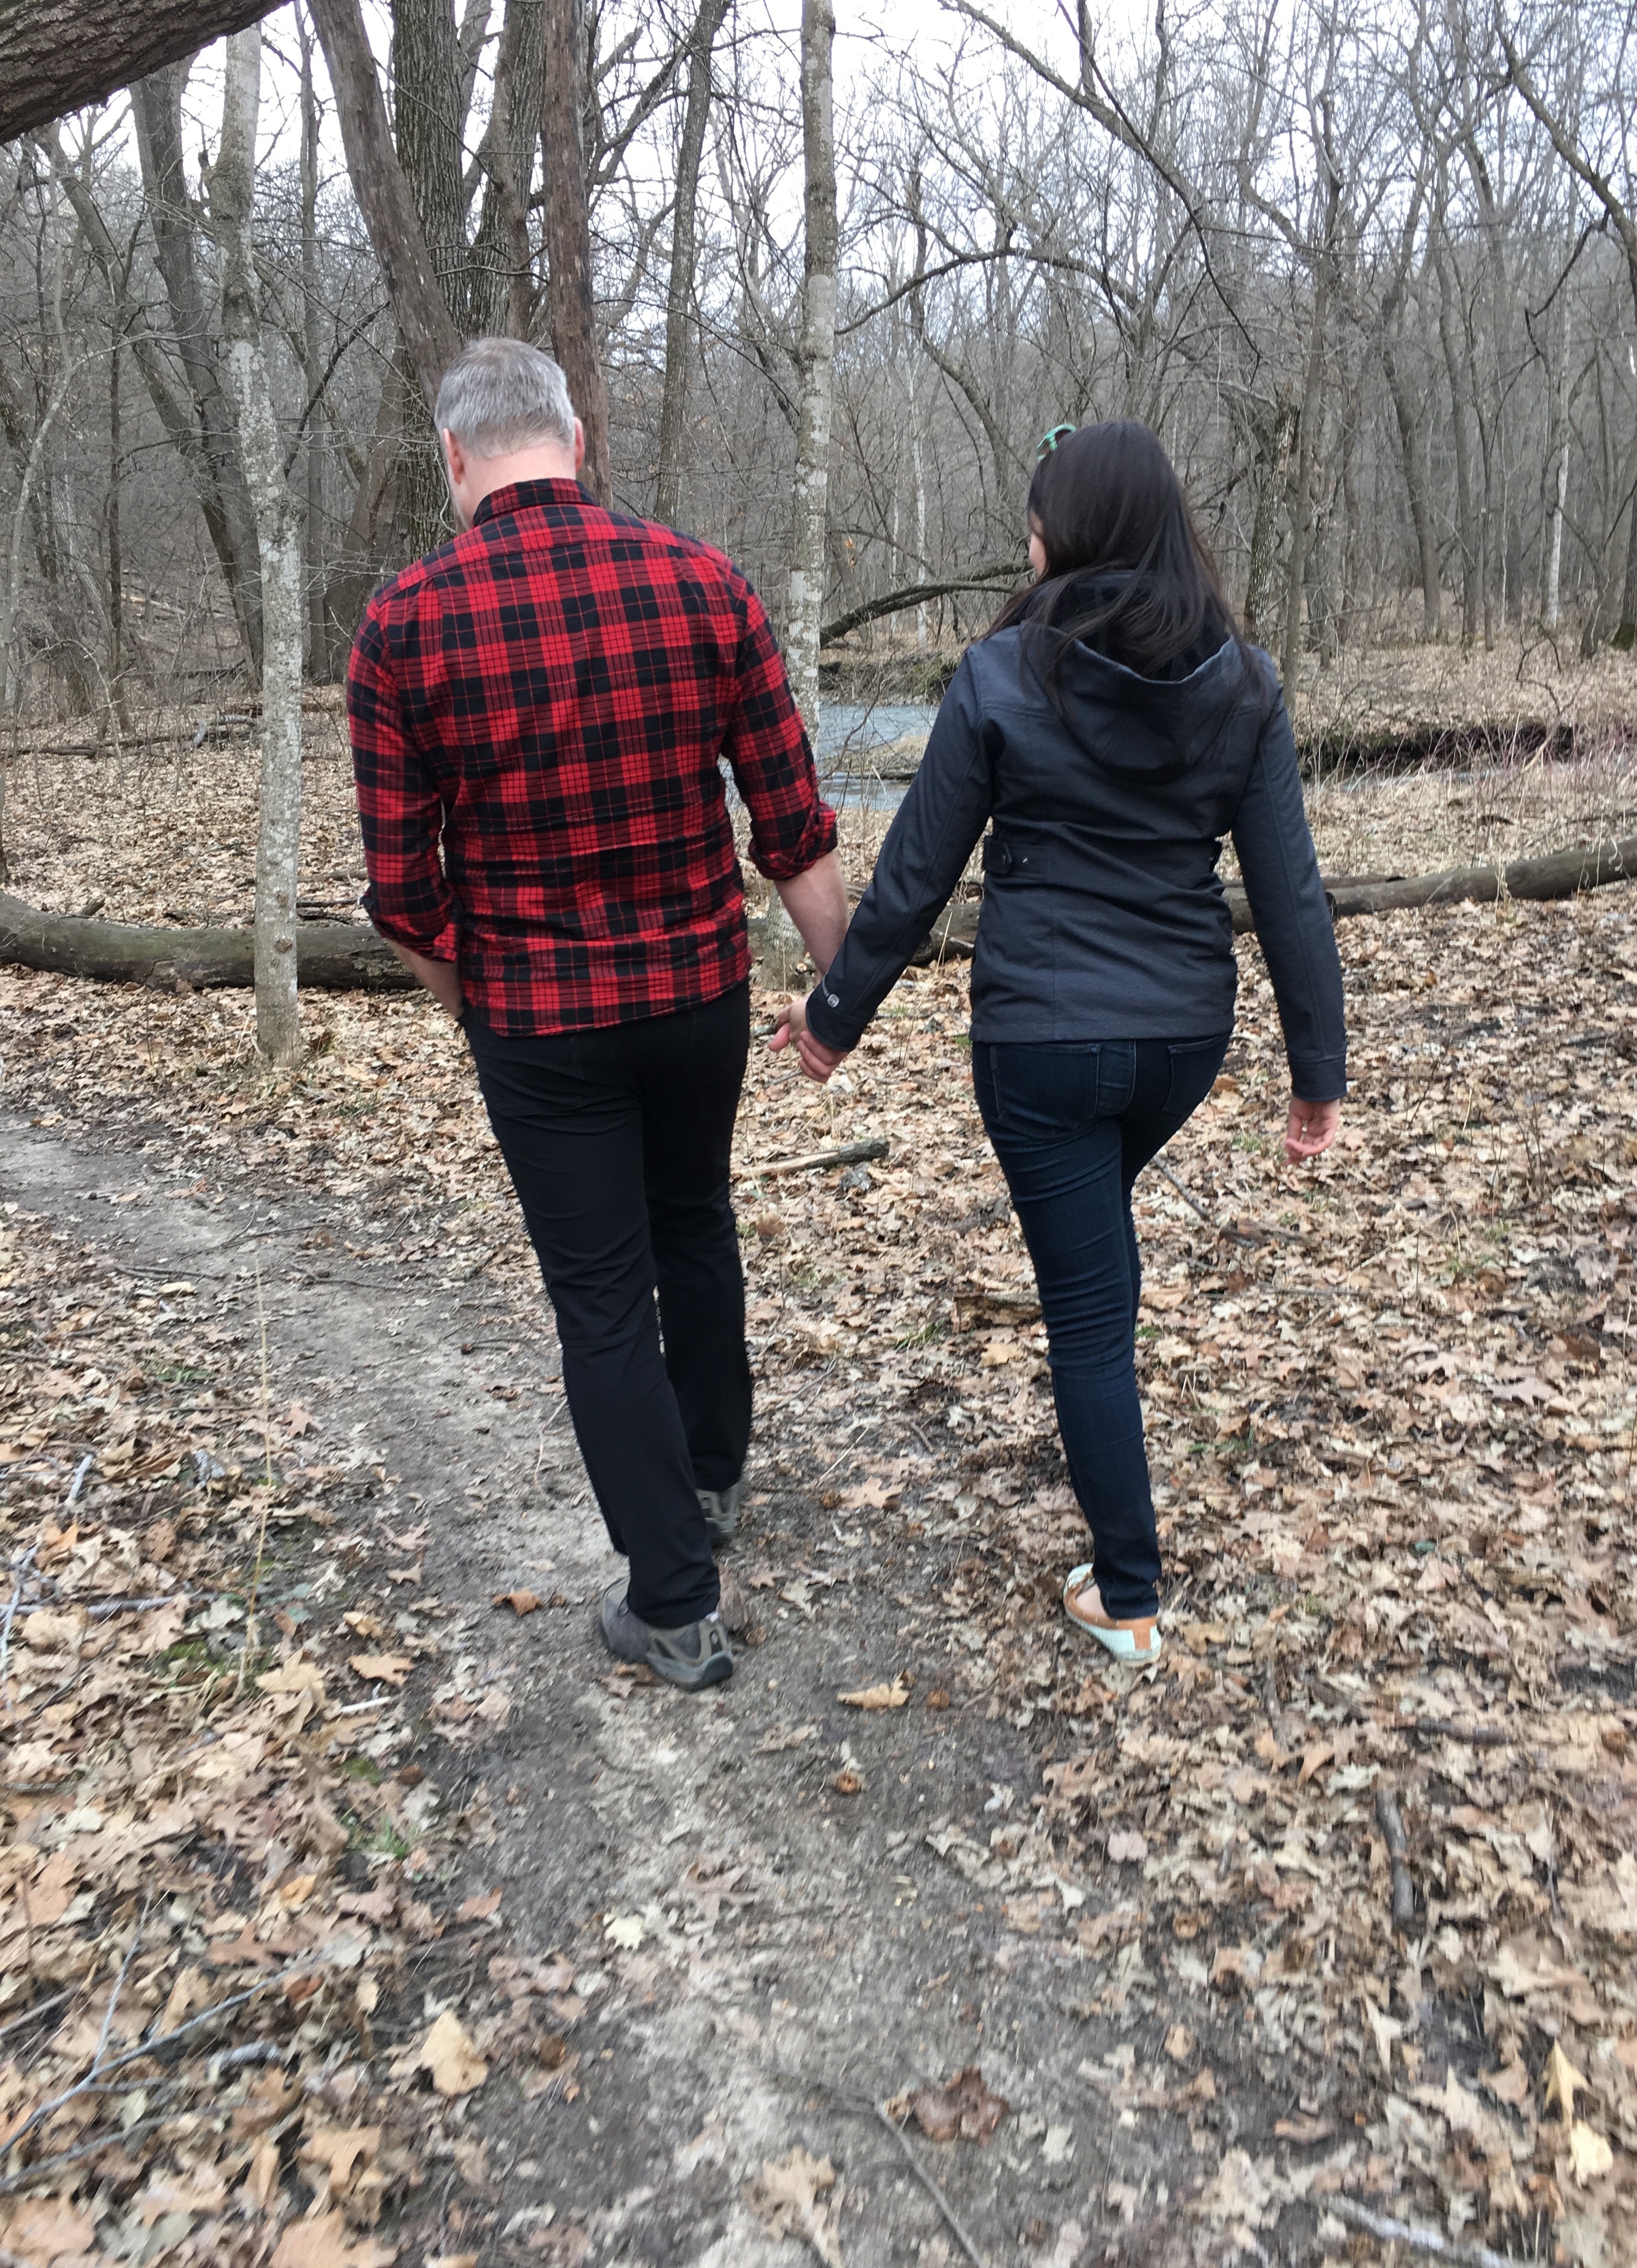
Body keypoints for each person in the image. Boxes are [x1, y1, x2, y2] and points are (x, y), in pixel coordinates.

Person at [772, 419, 1345, 1668]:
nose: (1024, 542)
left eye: (1036, 520)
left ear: (1074, 533)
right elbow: (1288, 894)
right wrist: (1316, 1075)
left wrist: (832, 1021)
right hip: (1183, 1041)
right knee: (1094, 1259)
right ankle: (1101, 1439)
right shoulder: (1245, 682)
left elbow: (916, 874)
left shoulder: (1002, 675)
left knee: (1089, 1309)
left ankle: (1127, 1591)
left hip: (1039, 1040)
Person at [349, 337, 848, 1692]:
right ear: (577, 437)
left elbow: (404, 893)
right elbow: (790, 822)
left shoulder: (402, 628)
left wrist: (477, 1014)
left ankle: (675, 1600)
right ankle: (711, 1475)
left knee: (597, 1292)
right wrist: (839, 990)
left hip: (539, 1014)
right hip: (696, 995)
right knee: (692, 1219)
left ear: (456, 457)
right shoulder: (700, 582)